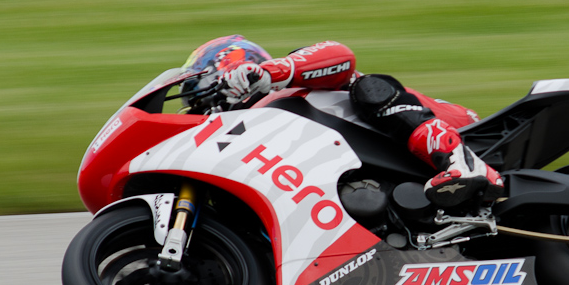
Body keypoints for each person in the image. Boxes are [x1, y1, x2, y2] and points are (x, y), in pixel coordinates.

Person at [183, 35, 504, 208]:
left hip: (461, 128)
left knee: (366, 87)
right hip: (392, 175)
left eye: (201, 88)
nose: (199, 105)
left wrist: (273, 72)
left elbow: (341, 55)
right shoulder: (253, 129)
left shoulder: (289, 87)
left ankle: (465, 165)